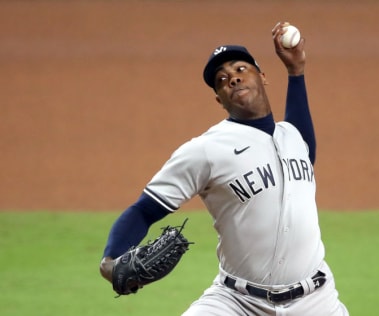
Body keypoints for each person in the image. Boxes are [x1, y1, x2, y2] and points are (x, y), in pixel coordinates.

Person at [99, 22, 349, 316]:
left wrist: (296, 72)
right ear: (219, 99)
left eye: (241, 69)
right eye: (222, 79)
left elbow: (305, 144)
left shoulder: (292, 137)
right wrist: (110, 260)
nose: (232, 78)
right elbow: (144, 210)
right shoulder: (205, 150)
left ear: (263, 76)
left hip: (316, 302)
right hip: (237, 302)